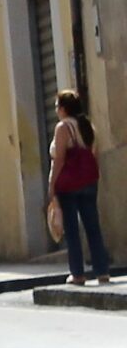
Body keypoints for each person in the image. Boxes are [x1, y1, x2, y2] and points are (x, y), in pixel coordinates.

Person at [48, 89, 110, 286]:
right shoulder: (88, 126)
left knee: (72, 229)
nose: (56, 110)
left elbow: (59, 159)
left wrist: (52, 184)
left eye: (57, 106)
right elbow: (94, 154)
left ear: (64, 109)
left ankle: (78, 273)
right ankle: (102, 271)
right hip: (89, 181)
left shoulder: (63, 128)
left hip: (68, 184)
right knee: (93, 227)